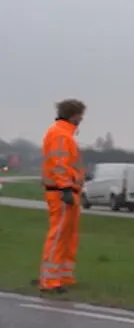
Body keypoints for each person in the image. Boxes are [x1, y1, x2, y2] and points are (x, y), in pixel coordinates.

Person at [37, 98, 86, 293]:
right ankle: (49, 280)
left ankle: (63, 276)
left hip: (67, 190)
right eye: (80, 114)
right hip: (61, 192)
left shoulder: (64, 134)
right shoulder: (60, 135)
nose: (81, 118)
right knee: (58, 235)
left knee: (68, 235)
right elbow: (59, 164)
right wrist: (66, 186)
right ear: (74, 115)